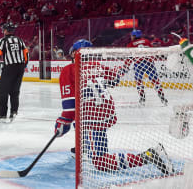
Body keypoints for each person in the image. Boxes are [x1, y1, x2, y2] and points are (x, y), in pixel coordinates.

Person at [54, 39, 174, 175]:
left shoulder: (68, 70)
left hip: (90, 118)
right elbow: (115, 79)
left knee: (100, 163)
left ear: (72, 54)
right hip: (105, 113)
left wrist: (61, 124)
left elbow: (70, 110)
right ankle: (83, 146)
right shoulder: (99, 66)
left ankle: (148, 156)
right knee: (80, 120)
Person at [0, 22, 29, 122]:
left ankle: (2, 114)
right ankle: (14, 111)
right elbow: (26, 53)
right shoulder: (19, 40)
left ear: (6, 31)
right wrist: (23, 65)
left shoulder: (3, 41)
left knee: (3, 91)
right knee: (15, 91)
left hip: (9, 67)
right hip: (20, 67)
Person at [122, 29, 167, 106]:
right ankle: (162, 97)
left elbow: (130, 57)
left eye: (132, 35)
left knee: (139, 81)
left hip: (139, 64)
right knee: (155, 81)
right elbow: (152, 51)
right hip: (149, 63)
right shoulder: (147, 41)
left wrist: (126, 66)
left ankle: (142, 97)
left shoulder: (131, 44)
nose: (131, 37)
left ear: (135, 36)